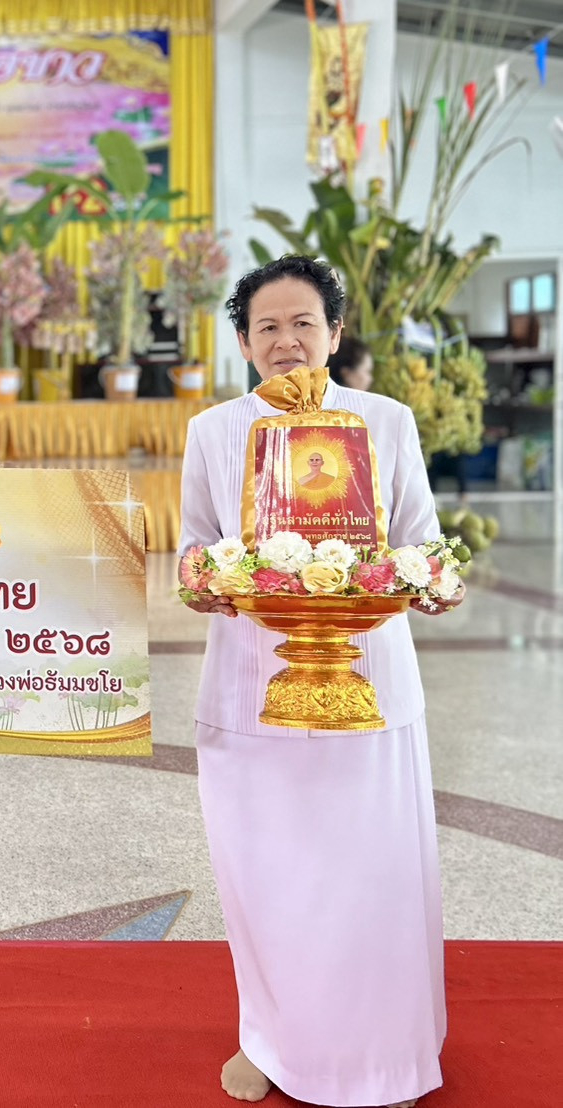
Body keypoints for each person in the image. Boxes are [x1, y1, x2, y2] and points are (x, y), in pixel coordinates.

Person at [179, 255, 462, 1108]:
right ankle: (270, 1042)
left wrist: (428, 579)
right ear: (241, 341)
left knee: (372, 870)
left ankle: (389, 1056)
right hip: (249, 681)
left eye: (303, 322)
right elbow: (193, 547)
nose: (285, 339)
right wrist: (208, 578)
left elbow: (422, 539)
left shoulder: (384, 421)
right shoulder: (213, 431)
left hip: (367, 679)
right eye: (266, 325)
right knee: (266, 870)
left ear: (334, 335)